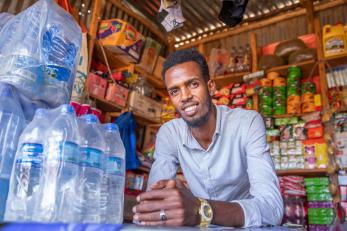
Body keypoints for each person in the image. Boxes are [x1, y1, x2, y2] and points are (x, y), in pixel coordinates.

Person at [132, 49, 283, 228]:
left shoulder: (247, 123)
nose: (185, 97)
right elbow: (156, 203)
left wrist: (201, 210)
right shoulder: (169, 133)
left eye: (193, 84)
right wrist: (165, 204)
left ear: (211, 87)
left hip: (246, 226)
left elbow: (272, 210)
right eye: (174, 91)